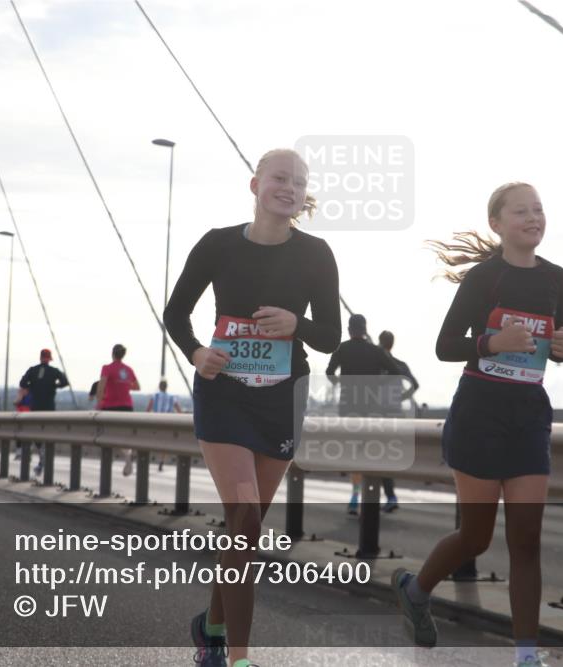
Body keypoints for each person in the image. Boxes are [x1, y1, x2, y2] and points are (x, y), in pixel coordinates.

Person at [392, 183, 563, 667]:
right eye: (521, 211)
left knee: (526, 537)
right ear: (497, 224)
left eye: (539, 209)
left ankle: (525, 656)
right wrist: (492, 343)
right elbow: (445, 345)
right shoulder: (484, 278)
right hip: (479, 412)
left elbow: (554, 345)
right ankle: (416, 589)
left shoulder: (557, 278)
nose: (534, 217)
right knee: (475, 537)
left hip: (529, 416)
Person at [164, 148, 340, 667]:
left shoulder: (317, 253)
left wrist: (296, 324)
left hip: (283, 396)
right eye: (279, 178)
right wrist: (198, 353)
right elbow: (177, 311)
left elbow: (329, 335)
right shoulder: (218, 244)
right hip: (225, 394)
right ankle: (234, 658)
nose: (290, 187)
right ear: (255, 184)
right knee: (243, 518)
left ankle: (211, 625)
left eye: (299, 182)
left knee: (248, 527)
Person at [325, 313, 400, 515]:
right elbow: (394, 371)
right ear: (365, 329)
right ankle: (385, 495)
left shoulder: (341, 349)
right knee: (376, 451)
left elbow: (329, 372)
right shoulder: (375, 351)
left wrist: (341, 385)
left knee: (355, 454)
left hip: (349, 407)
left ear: (349, 330)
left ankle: (355, 498)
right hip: (372, 409)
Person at [376, 329, 420, 512]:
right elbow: (415, 385)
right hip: (396, 413)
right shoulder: (400, 365)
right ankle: (389, 496)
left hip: (378, 414)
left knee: (377, 456)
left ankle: (385, 496)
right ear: (392, 344)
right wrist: (401, 398)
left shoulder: (375, 364)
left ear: (379, 343)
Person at [17, 349, 69, 476]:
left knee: (36, 432)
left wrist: (32, 387)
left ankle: (41, 453)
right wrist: (54, 386)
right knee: (48, 432)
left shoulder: (32, 370)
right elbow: (65, 382)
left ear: (40, 357)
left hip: (36, 407)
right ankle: (44, 456)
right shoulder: (54, 371)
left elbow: (22, 383)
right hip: (49, 408)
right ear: (49, 359)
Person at [94, 344, 140, 475]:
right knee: (123, 435)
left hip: (110, 406)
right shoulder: (128, 369)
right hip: (127, 406)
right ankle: (127, 454)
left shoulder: (107, 368)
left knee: (108, 435)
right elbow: (137, 387)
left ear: (112, 354)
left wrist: (99, 403)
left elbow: (101, 387)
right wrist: (123, 385)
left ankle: (120, 457)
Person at [145, 379, 182, 473]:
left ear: (159, 386)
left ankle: (149, 458)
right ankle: (161, 461)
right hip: (167, 422)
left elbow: (148, 409)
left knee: (151, 440)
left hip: (156, 421)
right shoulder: (172, 397)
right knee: (164, 442)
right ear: (166, 387)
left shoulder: (154, 396)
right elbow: (179, 411)